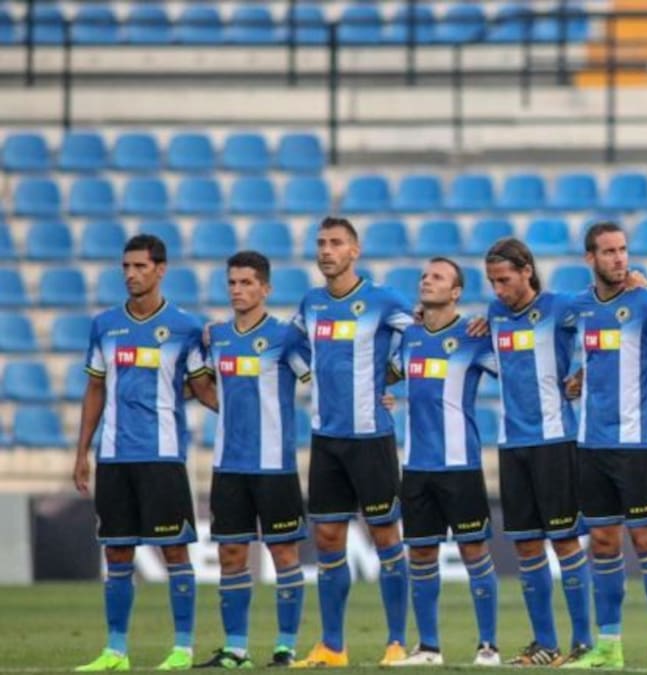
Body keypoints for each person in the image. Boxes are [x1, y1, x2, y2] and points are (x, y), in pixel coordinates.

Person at [74, 234, 215, 671]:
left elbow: (202, 388)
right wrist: (82, 452)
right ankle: (115, 650)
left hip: (163, 457)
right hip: (114, 457)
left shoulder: (185, 328)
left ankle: (183, 648)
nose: (131, 275)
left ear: (160, 269)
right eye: (126, 267)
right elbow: (95, 388)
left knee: (174, 552)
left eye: (140, 267)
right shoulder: (105, 325)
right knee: (116, 553)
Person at [563, 222, 647, 672]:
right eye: (609, 251)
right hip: (591, 444)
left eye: (623, 250)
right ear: (590, 259)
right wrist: (580, 378)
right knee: (601, 542)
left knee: (646, 540)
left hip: (637, 445)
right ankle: (609, 647)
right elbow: (594, 355)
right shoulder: (580, 308)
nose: (619, 258)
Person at [290, 217, 412, 668]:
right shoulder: (312, 304)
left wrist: (394, 377)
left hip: (371, 438)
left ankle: (397, 641)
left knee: (385, 536)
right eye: (320, 242)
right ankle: (333, 646)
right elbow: (289, 345)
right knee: (326, 537)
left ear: (354, 251)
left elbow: (422, 337)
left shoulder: (382, 301)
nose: (326, 250)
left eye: (335, 243)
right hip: (326, 438)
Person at [187, 251, 311, 668]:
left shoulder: (286, 337)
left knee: (285, 556)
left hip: (275, 465)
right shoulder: (217, 336)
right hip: (229, 465)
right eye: (233, 283)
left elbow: (316, 378)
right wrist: (231, 410)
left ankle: (285, 646)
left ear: (266, 288)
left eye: (247, 283)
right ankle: (236, 649)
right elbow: (199, 383)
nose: (238, 290)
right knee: (231, 557)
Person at [484, 238, 594, 667]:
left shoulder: (562, 307)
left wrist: (584, 372)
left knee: (566, 543)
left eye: (504, 280)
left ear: (526, 270)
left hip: (555, 442)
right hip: (513, 445)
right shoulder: (493, 315)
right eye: (492, 282)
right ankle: (544, 643)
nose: (498, 290)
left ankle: (583, 641)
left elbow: (610, 324)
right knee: (527, 547)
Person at [388, 257, 503, 666]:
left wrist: (493, 325)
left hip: (461, 466)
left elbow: (513, 371)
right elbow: (387, 377)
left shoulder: (472, 336)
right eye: (423, 275)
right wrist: (385, 394)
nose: (426, 280)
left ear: (455, 292)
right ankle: (429, 647)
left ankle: (489, 645)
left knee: (474, 553)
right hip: (417, 467)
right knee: (421, 556)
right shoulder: (410, 338)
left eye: (437, 277)